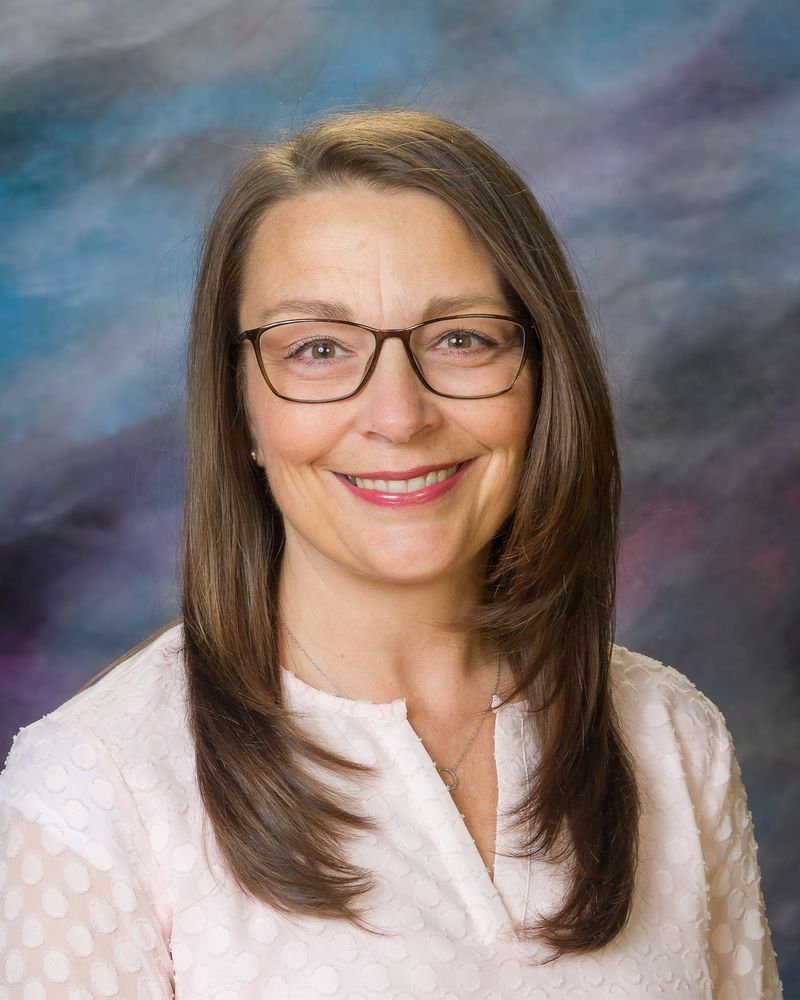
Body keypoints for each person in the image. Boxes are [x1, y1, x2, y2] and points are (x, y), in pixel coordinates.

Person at [0, 108, 782, 998]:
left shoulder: (673, 739)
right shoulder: (97, 791)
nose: (400, 415)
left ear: (540, 374)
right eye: (319, 349)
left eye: (460, 339)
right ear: (242, 408)